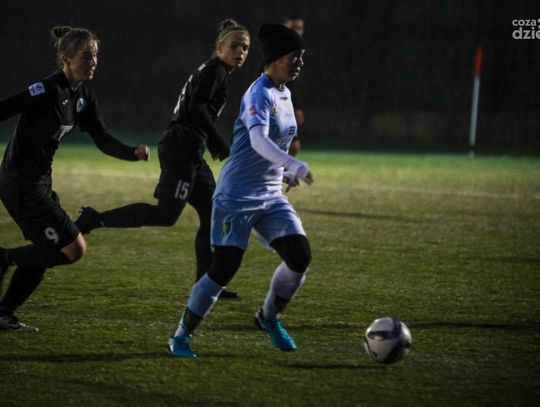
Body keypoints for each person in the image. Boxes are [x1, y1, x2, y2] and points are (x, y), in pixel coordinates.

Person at [75, 19, 250, 299]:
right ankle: (95, 219)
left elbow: (196, 108)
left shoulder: (213, 70)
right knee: (166, 215)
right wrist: (217, 140)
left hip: (190, 150)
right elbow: (196, 107)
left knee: (213, 213)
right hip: (181, 149)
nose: (240, 52)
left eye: (245, 48)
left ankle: (205, 285)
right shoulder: (215, 70)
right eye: (234, 46)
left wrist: (209, 141)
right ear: (219, 48)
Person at [168, 23, 314, 358]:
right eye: (294, 56)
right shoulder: (258, 93)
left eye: (302, 57)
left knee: (299, 257)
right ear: (275, 58)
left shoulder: (285, 93)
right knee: (223, 269)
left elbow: (273, 145)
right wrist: (293, 165)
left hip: (270, 195)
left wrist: (285, 169)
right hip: (236, 195)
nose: (299, 63)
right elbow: (258, 140)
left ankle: (268, 317)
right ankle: (181, 336)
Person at [0, 26, 150, 331]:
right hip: (21, 183)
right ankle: (3, 259)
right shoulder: (47, 90)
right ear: (66, 59)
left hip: (40, 183)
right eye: (86, 56)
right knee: (72, 248)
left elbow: (102, 138)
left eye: (95, 55)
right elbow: (6, 108)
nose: (93, 61)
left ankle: (4, 313)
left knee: (43, 250)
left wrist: (131, 153)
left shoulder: (82, 97)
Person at [283, 14, 305, 157]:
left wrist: (297, 107)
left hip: (288, 104)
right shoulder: (278, 50)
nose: (297, 31)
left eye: (300, 28)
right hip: (277, 104)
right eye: (293, 28)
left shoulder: (297, 50)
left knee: (293, 145)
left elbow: (293, 85)